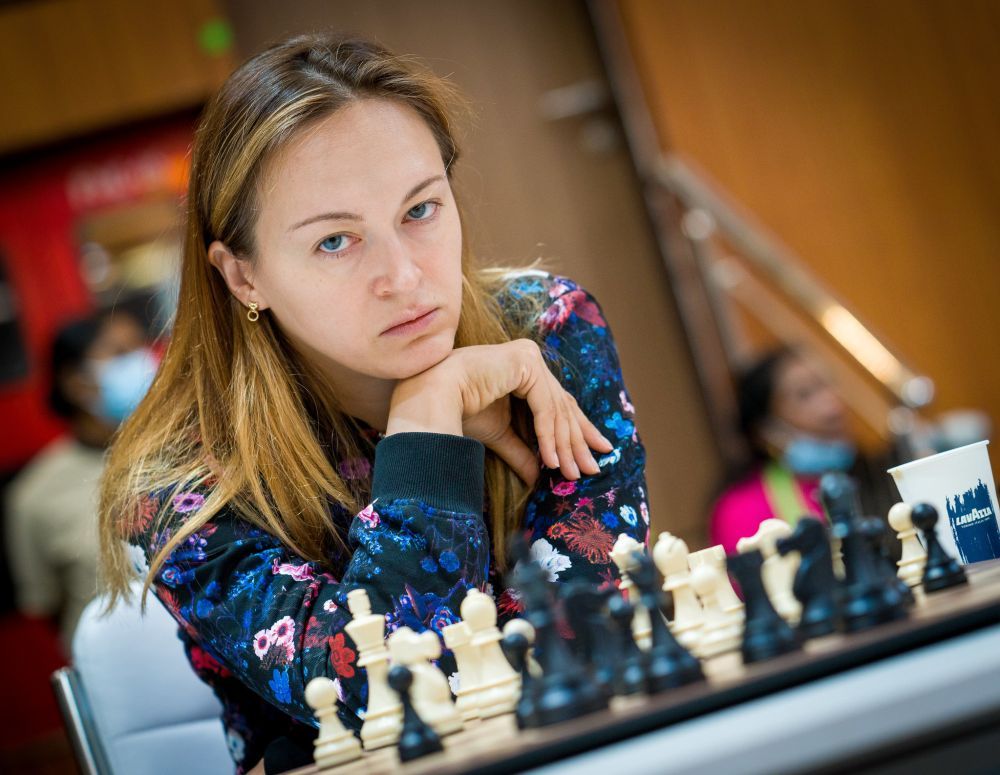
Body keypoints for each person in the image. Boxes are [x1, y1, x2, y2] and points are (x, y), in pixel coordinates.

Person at [97, 34, 649, 773]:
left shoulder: (548, 332)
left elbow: (596, 618)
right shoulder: (181, 483)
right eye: (334, 242)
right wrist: (428, 420)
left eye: (420, 209)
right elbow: (403, 692)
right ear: (243, 277)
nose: (404, 276)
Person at [5, 311, 154, 650]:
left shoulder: (186, 448)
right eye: (119, 354)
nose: (143, 362)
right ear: (75, 383)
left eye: (139, 347)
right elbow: (47, 605)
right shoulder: (34, 497)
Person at [709, 346, 899, 554]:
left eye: (828, 384)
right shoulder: (741, 511)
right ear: (768, 430)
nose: (833, 408)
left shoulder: (881, 474)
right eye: (805, 395)